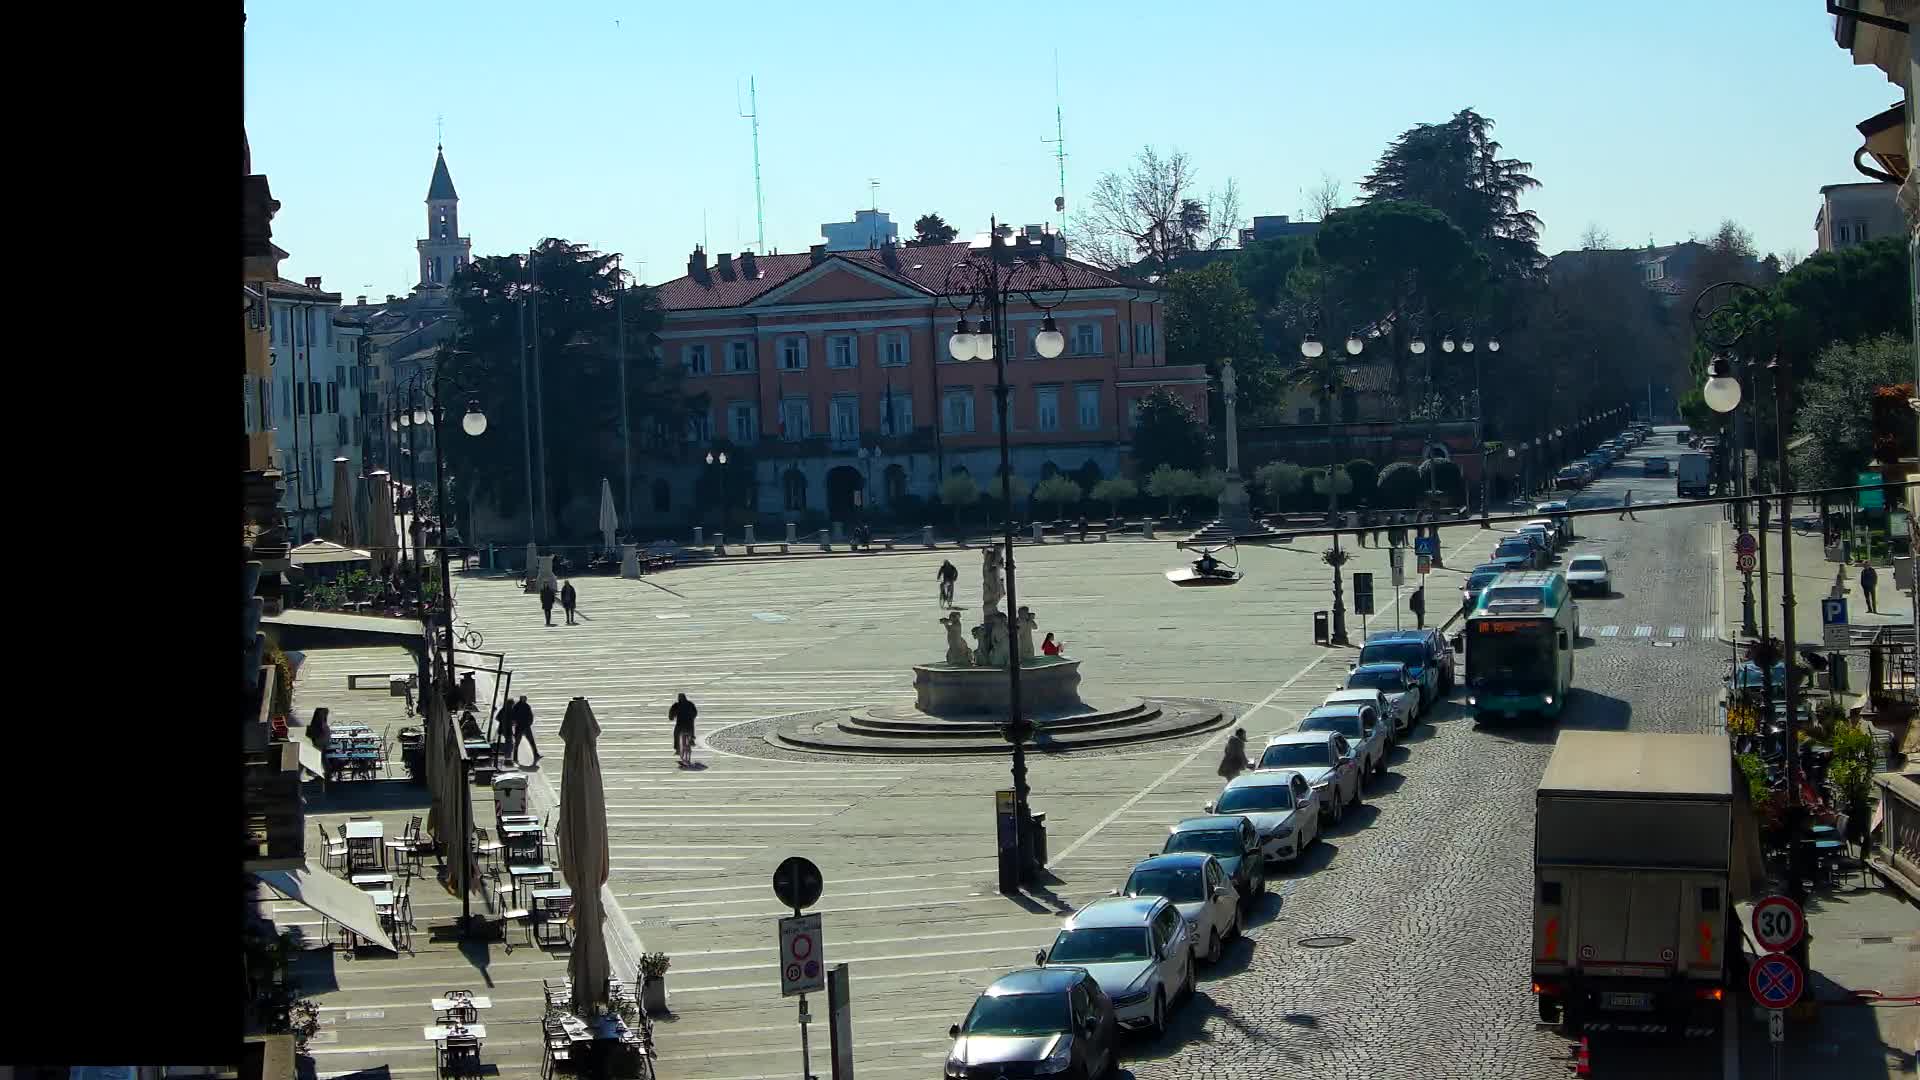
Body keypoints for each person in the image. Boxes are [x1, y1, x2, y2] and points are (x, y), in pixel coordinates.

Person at [669, 693, 698, 768]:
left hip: (680, 725)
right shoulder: (690, 704)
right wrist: (692, 717)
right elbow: (695, 713)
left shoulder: (676, 705)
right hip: (689, 725)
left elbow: (671, 714)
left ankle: (677, 749)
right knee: (691, 729)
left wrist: (672, 717)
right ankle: (691, 739)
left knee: (676, 734)